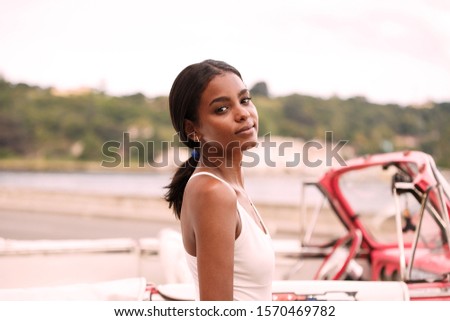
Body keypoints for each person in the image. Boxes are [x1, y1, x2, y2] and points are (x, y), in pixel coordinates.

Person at [164, 59, 275, 301]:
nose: (243, 113)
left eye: (245, 100)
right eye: (222, 109)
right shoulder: (212, 192)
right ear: (193, 129)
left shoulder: (230, 188)